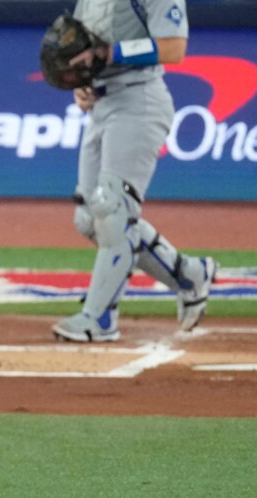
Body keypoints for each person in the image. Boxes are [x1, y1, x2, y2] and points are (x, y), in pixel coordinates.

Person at [51, 0, 217, 342]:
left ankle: (99, 318)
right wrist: (81, 81)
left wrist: (113, 53)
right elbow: (82, 45)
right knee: (89, 217)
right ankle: (190, 274)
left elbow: (174, 47)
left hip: (138, 101)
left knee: (114, 212)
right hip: (101, 104)